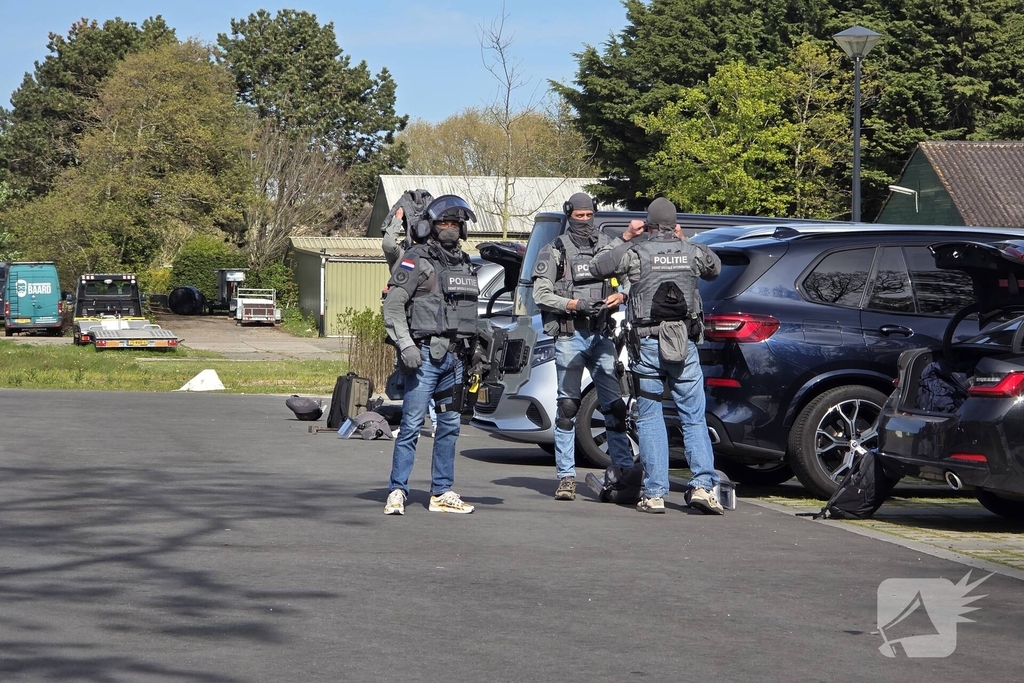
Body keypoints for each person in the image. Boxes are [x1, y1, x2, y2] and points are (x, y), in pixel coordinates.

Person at [590, 197, 724, 514]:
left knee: (650, 418)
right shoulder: (692, 252)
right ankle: (704, 487)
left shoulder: (636, 252)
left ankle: (654, 494)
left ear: (648, 224)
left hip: (648, 346)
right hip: (685, 346)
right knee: (693, 417)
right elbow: (715, 268)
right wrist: (682, 240)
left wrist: (626, 237)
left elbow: (599, 266)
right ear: (674, 223)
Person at [531, 192, 635, 501]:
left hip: (602, 334)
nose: (585, 221)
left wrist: (622, 295)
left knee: (615, 407)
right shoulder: (555, 250)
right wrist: (574, 303)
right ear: (569, 214)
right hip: (569, 334)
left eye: (589, 216)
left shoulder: (609, 246)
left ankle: (624, 471)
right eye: (579, 216)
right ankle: (566, 477)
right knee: (568, 407)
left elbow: (634, 275)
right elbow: (541, 294)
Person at [382, 195, 480, 515]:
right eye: (443, 223)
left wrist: (477, 353)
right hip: (424, 357)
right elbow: (393, 306)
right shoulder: (415, 258)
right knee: (411, 425)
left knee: (450, 427)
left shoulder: (465, 264)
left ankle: (441, 492)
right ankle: (397, 491)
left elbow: (467, 314)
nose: (449, 229)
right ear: (430, 226)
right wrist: (406, 346)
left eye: (454, 224)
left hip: (455, 360)